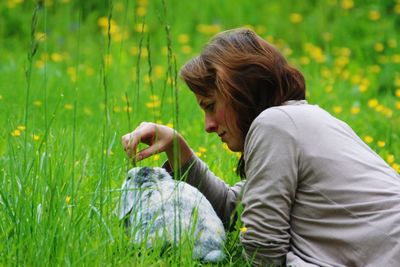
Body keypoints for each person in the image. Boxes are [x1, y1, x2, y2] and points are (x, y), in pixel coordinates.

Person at [121, 28, 400, 266]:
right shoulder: (299, 121)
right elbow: (235, 210)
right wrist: (177, 149)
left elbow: (262, 249)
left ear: (239, 90)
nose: (208, 125)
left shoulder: (274, 124)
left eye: (210, 106)